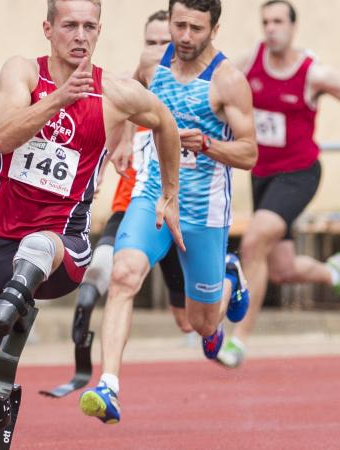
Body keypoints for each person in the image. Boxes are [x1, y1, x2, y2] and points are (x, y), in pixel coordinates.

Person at [0, 0, 184, 432]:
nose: (80, 35)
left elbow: (165, 122)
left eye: (89, 26)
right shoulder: (23, 73)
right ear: (48, 29)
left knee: (39, 244)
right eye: (69, 25)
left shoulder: (115, 92)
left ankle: (19, 296)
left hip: (64, 244)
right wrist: (59, 99)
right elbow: (2, 136)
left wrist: (170, 192)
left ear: (99, 31)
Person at [79, 0, 257, 425]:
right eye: (179, 25)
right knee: (124, 273)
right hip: (153, 197)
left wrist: (207, 145)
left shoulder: (228, 81)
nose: (185, 37)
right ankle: (108, 386)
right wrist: (120, 141)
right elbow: (123, 98)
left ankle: (229, 279)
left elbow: (250, 152)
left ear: (214, 28)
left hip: (203, 214)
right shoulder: (151, 63)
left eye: (196, 28)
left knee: (200, 325)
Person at [217, 0, 340, 368]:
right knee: (281, 268)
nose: (271, 28)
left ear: (293, 27)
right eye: (266, 21)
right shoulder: (249, 62)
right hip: (262, 175)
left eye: (279, 21)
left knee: (253, 243)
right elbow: (212, 84)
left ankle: (239, 341)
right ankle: (336, 273)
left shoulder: (313, 74)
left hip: (299, 173)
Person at [39, 10, 192, 399]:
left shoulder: (196, 90)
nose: (158, 51)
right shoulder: (121, 88)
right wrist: (106, 162)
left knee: (189, 322)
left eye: (166, 44)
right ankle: (93, 370)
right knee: (107, 273)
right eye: (151, 43)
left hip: (183, 211)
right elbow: (100, 128)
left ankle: (226, 271)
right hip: (135, 210)